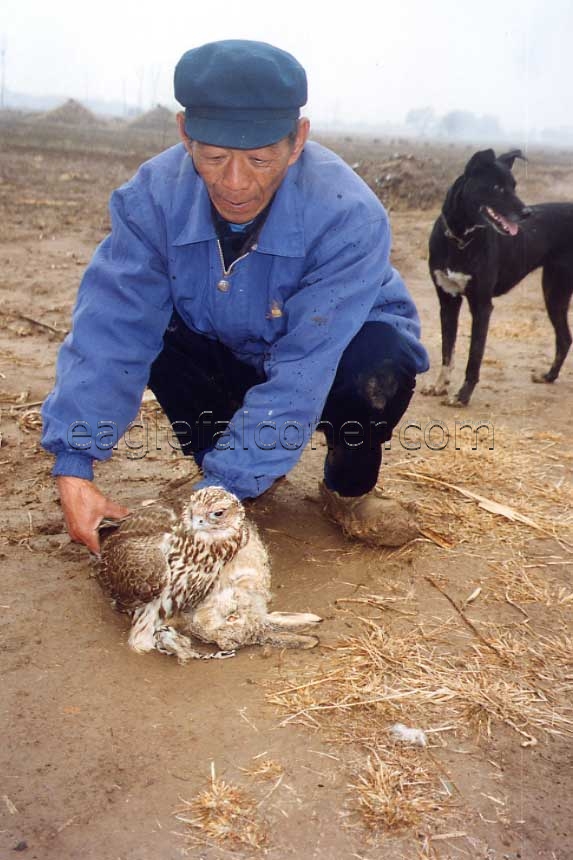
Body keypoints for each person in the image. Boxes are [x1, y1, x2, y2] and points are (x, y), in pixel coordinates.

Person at [41, 39, 429, 555]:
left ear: (298, 142)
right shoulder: (152, 198)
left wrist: (214, 496)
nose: (236, 183)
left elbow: (303, 368)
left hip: (330, 353)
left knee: (376, 367)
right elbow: (113, 325)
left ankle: (345, 487)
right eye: (215, 156)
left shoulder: (348, 215)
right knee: (159, 331)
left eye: (261, 158)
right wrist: (74, 463)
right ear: (185, 133)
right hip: (225, 338)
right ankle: (230, 477)